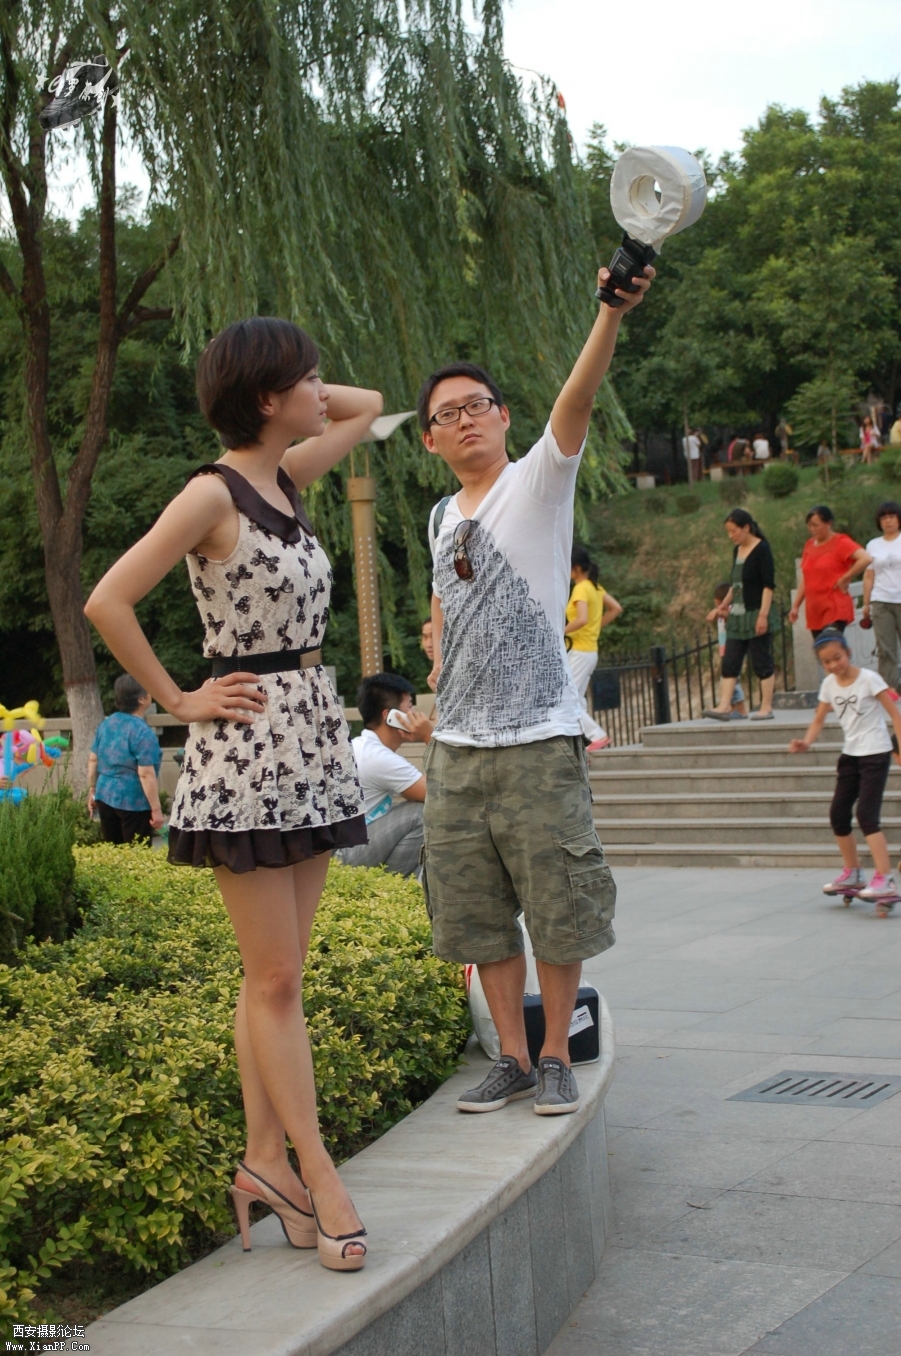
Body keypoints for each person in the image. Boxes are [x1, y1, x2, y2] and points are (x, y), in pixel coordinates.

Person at [85, 316, 381, 1272]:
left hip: (307, 740)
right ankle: (317, 1170)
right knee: (277, 979)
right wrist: (178, 698)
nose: (324, 389)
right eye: (307, 377)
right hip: (247, 747)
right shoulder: (211, 492)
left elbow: (369, 407)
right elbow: (107, 599)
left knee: (275, 980)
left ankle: (262, 1164)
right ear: (265, 396)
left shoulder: (285, 477)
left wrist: (295, 386)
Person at [420, 257, 653, 1118]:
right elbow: (445, 602)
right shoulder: (440, 517)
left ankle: (556, 1054)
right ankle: (512, 1059)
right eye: (446, 414)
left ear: (503, 416)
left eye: (476, 405)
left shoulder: (537, 481)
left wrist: (609, 313)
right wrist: (436, 659)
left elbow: (577, 400)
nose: (464, 420)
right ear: (430, 440)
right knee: (477, 917)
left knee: (558, 906)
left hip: (537, 743)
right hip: (456, 752)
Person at [790, 630, 901, 913]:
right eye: (826, 662)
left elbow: (894, 714)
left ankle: (885, 879)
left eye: (837, 658)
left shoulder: (869, 679)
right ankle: (853, 872)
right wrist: (806, 742)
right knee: (838, 814)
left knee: (866, 815)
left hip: (876, 753)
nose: (833, 665)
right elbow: (818, 718)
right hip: (851, 755)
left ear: (848, 653)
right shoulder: (829, 684)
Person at [335, 673, 432, 877]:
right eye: (409, 707)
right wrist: (429, 736)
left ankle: (401, 884)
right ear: (391, 716)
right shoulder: (377, 757)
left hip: (345, 850)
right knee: (422, 813)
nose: (415, 714)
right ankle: (401, 885)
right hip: (344, 855)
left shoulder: (366, 747)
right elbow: (441, 795)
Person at [702, 509, 776, 720]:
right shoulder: (737, 551)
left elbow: (768, 585)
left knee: (761, 660)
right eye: (728, 532)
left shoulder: (762, 549)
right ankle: (725, 705)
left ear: (746, 528)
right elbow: (736, 585)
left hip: (756, 612)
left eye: (734, 531)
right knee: (730, 660)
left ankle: (766, 706)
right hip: (738, 615)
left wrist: (763, 615)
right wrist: (722, 606)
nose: (731, 535)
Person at [87, 673, 163, 843]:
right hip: (134, 800)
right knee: (136, 853)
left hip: (104, 794)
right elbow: (146, 774)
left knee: (113, 850)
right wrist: (156, 810)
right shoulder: (143, 732)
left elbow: (93, 760)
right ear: (142, 699)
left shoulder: (106, 724)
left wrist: (92, 791)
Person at [564, 545, 622, 751]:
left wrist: (560, 632)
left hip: (580, 651)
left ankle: (597, 735)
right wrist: (596, 627)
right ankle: (586, 740)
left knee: (567, 696)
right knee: (576, 697)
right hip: (589, 651)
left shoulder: (581, 588)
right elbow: (616, 608)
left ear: (577, 568)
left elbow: (582, 619)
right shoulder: (595, 587)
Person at [789, 506, 871, 642]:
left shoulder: (840, 542)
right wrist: (796, 606)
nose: (812, 529)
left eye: (816, 525)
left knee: (831, 643)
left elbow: (865, 558)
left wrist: (845, 577)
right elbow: (807, 578)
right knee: (823, 650)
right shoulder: (809, 545)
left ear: (828, 523)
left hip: (834, 605)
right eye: (809, 526)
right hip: (815, 609)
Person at [862, 501, 901, 690]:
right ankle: (890, 687)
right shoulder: (873, 545)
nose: (888, 521)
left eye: (892, 517)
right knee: (886, 648)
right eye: (884, 518)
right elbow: (869, 575)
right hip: (881, 600)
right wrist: (866, 604)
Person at [707, 582, 748, 718]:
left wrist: (719, 612)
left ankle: (740, 710)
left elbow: (730, 615)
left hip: (733, 649)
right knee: (730, 681)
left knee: (731, 681)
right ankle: (734, 709)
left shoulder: (731, 610)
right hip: (725, 650)